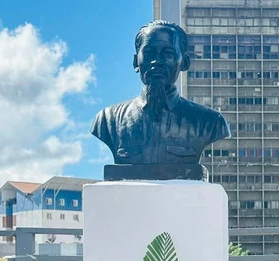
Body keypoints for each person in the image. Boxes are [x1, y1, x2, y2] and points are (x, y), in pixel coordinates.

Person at [91, 20, 230, 166]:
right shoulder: (108, 120)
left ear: (185, 63)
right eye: (149, 53)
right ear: (135, 62)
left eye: (168, 53)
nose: (156, 61)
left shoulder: (210, 122)